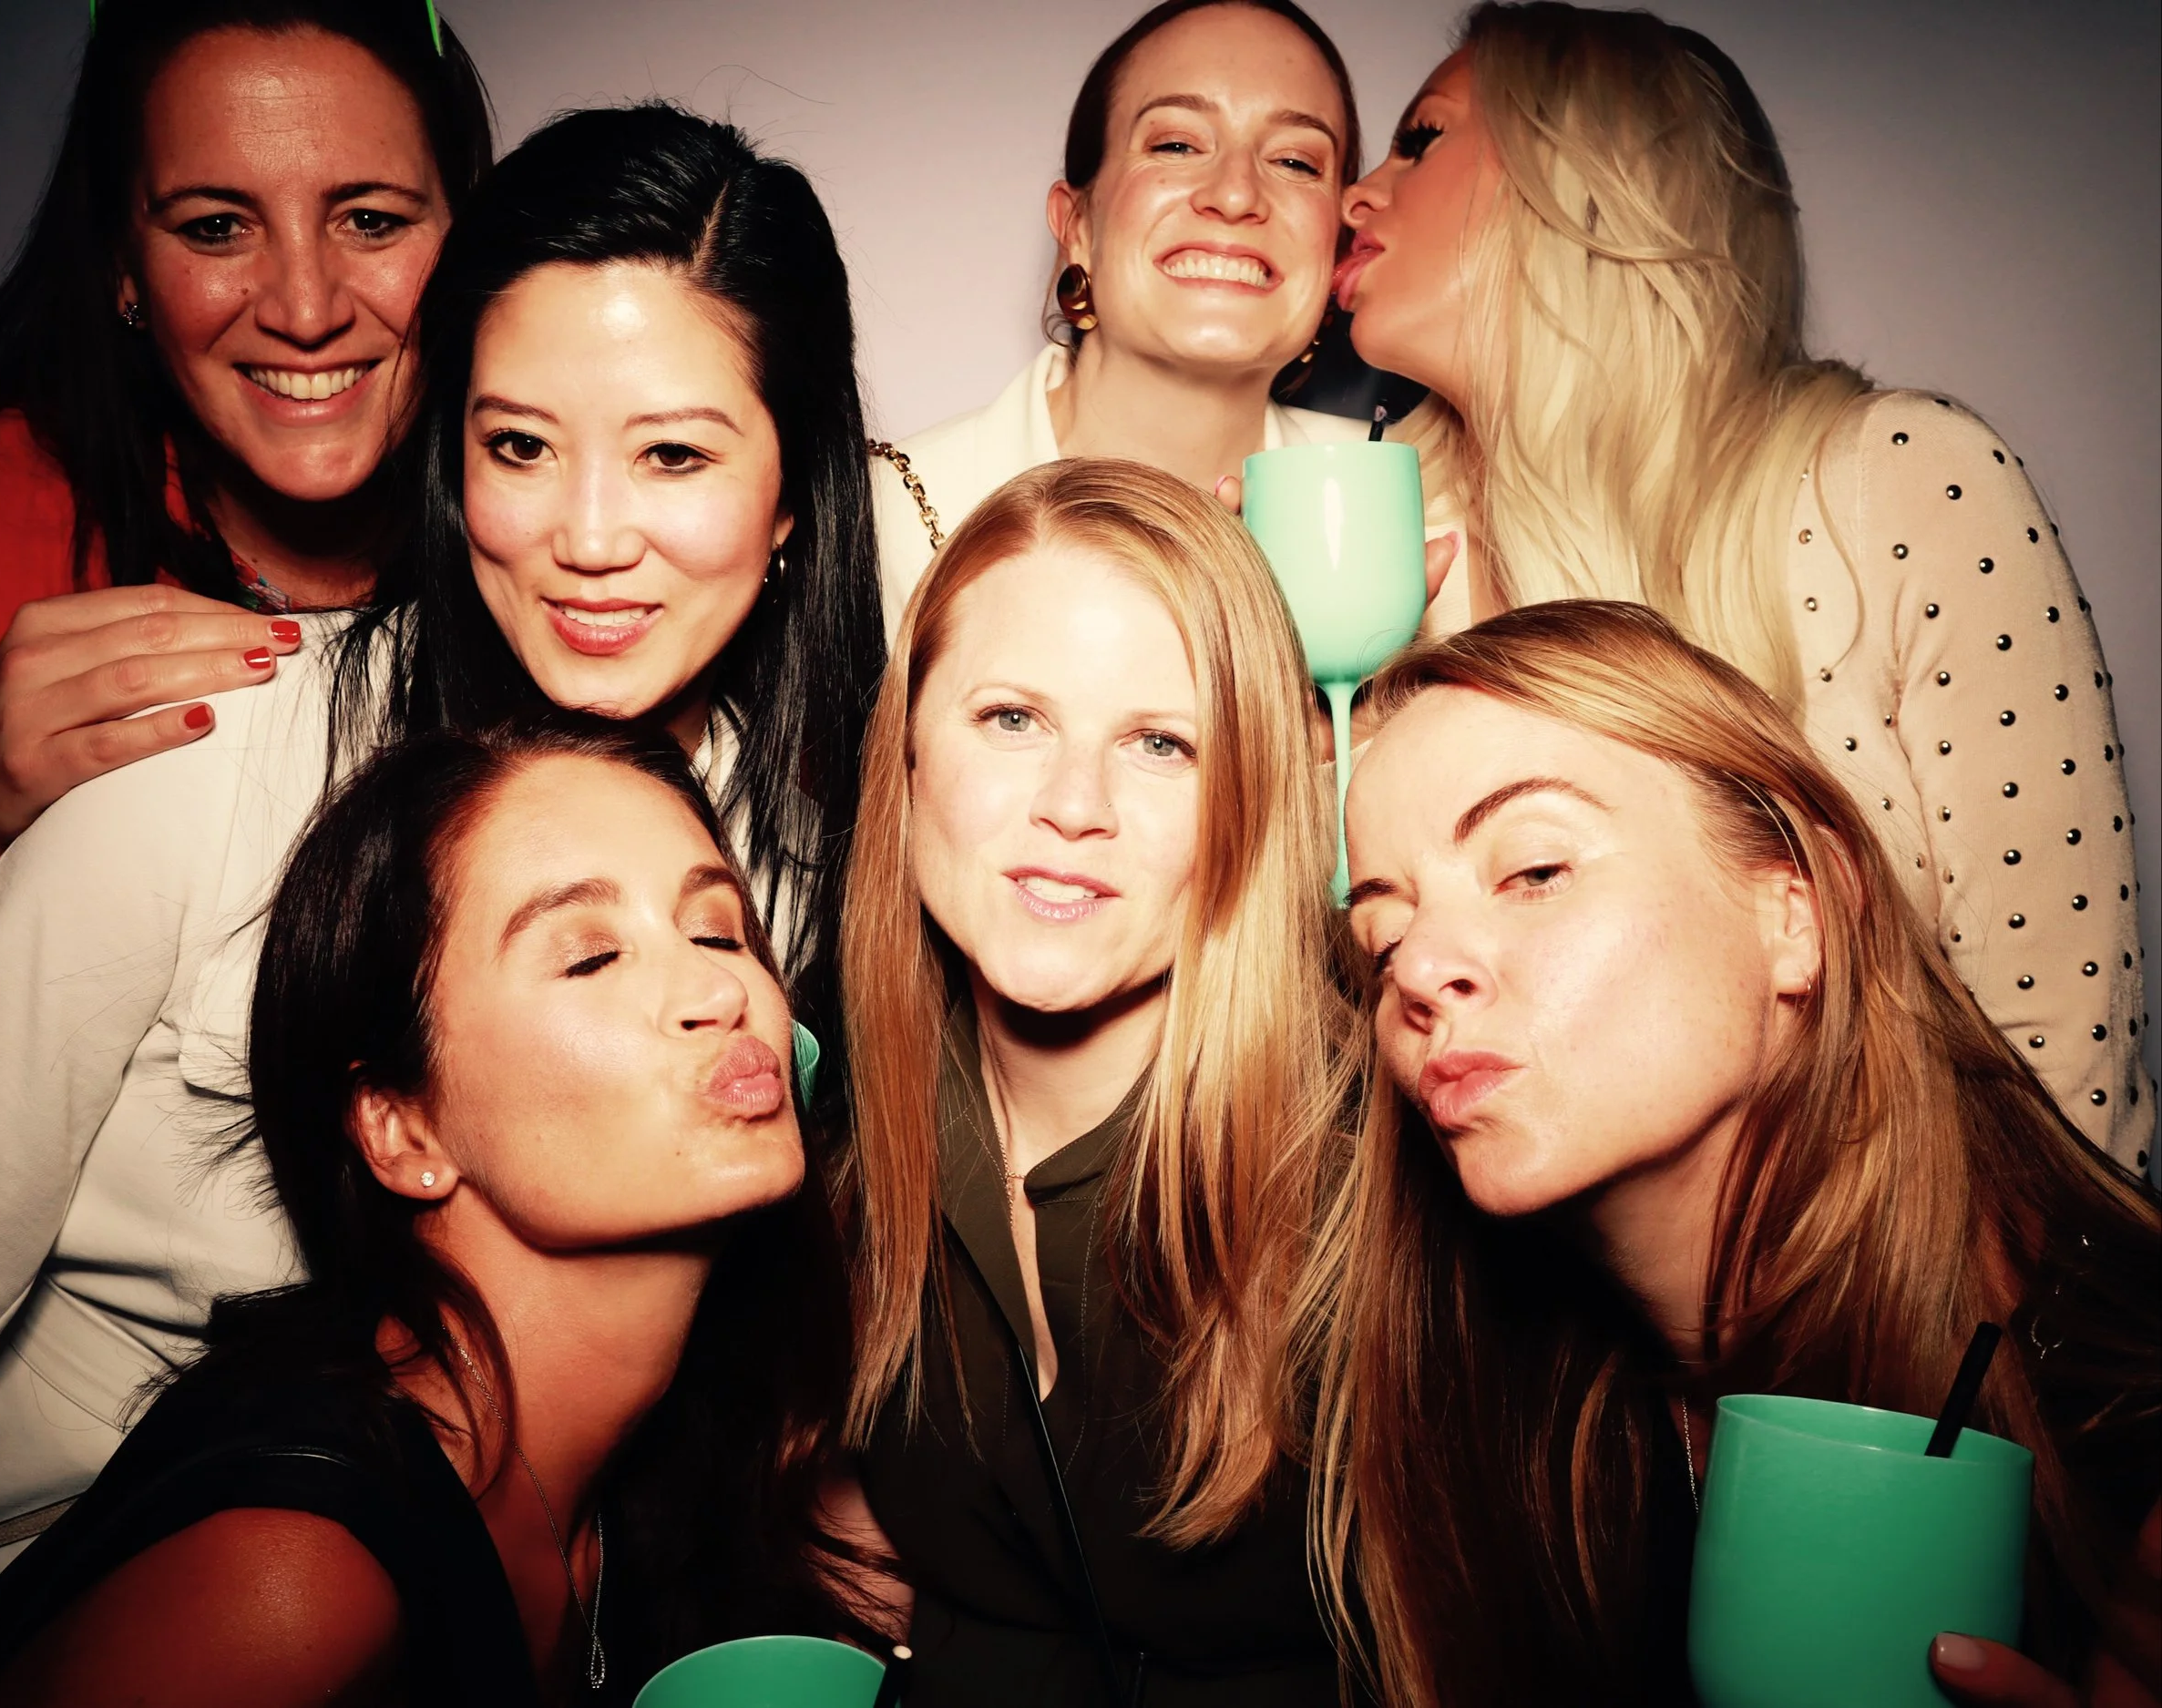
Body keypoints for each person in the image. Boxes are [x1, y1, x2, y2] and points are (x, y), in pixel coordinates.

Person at [0, 100, 883, 1688]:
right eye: (518, 447)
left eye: (676, 453)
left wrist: (791, 1459)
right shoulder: (198, 772)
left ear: (787, 501)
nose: (588, 537)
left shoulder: (800, 867)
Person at [0, 712, 876, 1705]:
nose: (717, 986)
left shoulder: (664, 1469)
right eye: (590, 957)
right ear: (403, 1130)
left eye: (718, 928)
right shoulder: (293, 1585)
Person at [1334, 0, 2149, 1162]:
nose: (1357, 194)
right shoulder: (1383, 567)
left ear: (1588, 177)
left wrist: (2012, 1343)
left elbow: (2067, 1051)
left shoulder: (1897, 481)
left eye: (1420, 140)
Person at [1306, 599, 2160, 1707]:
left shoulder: (2122, 1410)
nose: (1420, 970)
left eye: (1533, 871)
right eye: (1382, 935)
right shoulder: (1497, 1426)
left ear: (1795, 917)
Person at [841, 459, 1349, 1703]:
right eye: (1012, 718)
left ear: (1252, 798)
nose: (1075, 805)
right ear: (908, 749)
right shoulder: (828, 1117)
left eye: (1162, 742)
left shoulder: (1380, 1182)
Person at [0, 0, 494, 1017]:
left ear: (468, 236)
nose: (305, 310)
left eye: (372, 220)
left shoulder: (574, 513)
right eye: (216, 227)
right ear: (124, 262)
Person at [870, 0, 1396, 634]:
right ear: (1076, 225)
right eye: (1175, 144)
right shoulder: (886, 516)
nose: (1235, 195)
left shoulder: (1403, 504)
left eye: (1295, 162)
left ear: (1338, 244)